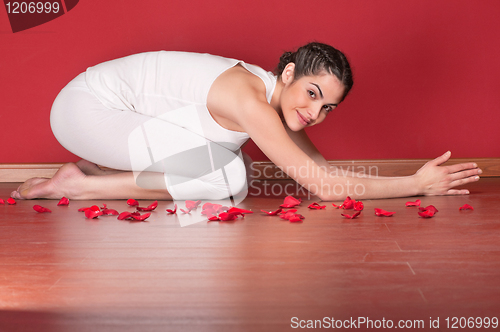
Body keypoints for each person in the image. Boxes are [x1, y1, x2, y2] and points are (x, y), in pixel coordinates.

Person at [11, 42, 481, 201]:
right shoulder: (253, 102)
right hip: (86, 109)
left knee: (233, 182)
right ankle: (79, 186)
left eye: (327, 108)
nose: (315, 114)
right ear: (290, 73)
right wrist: (415, 185)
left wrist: (411, 179)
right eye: (312, 94)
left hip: (115, 115)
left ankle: (93, 176)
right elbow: (324, 186)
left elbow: (323, 173)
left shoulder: (273, 100)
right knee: (227, 175)